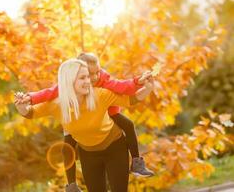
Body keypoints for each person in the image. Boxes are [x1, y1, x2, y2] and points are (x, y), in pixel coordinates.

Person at [15, 59, 154, 192]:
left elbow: (131, 99)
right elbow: (29, 113)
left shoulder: (100, 95)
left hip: (115, 147)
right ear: (69, 81)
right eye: (82, 78)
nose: (88, 81)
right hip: (88, 154)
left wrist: (148, 88)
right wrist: (21, 106)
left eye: (88, 77)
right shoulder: (57, 104)